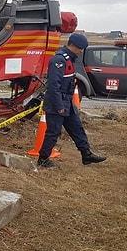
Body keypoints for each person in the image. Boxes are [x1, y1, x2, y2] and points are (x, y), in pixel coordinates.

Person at [38, 33, 106, 168]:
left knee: (77, 128)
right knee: (53, 132)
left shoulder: (69, 59)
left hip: (67, 101)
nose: (81, 51)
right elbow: (53, 86)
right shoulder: (59, 60)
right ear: (73, 46)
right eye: (80, 48)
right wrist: (59, 106)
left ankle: (86, 155)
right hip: (57, 103)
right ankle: (43, 159)